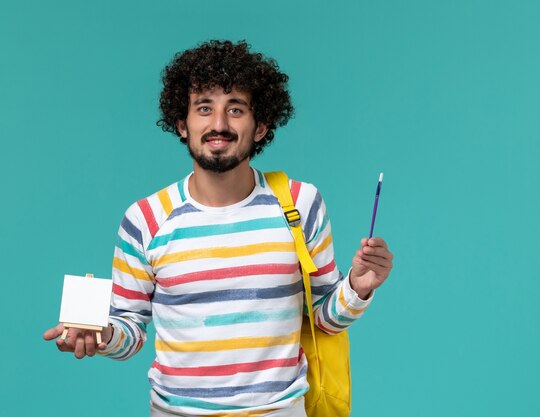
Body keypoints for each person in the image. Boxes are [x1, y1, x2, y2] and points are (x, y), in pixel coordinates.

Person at [44, 40, 394, 416]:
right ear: (183, 124)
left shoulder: (300, 204)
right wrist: (101, 334)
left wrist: (357, 287)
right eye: (204, 108)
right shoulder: (145, 218)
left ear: (260, 126)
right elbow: (129, 330)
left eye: (236, 109)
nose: (219, 125)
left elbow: (325, 317)